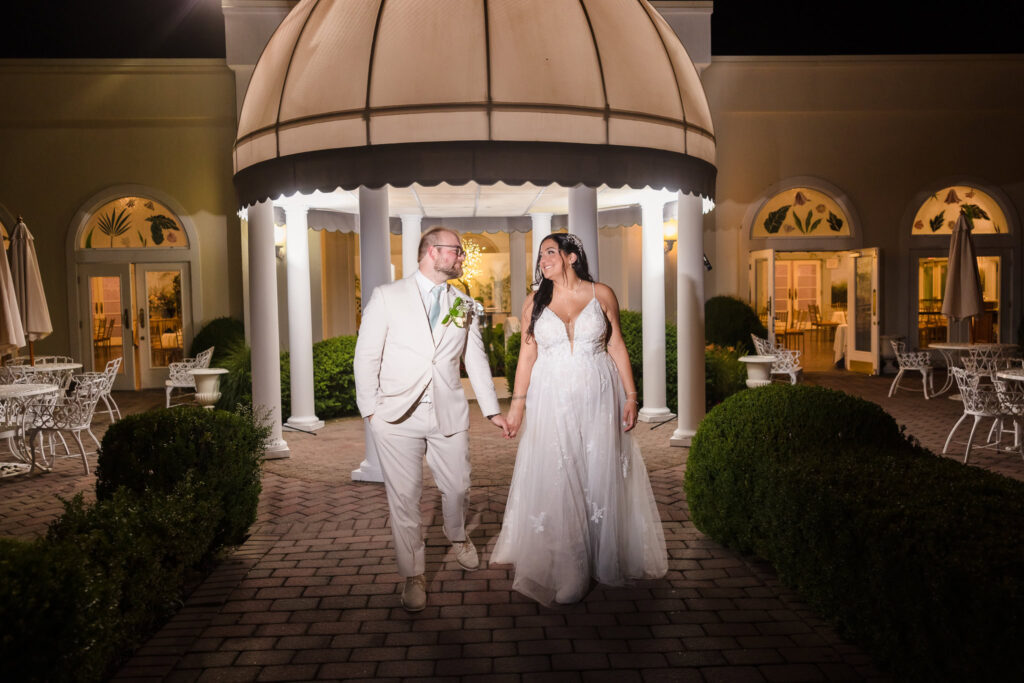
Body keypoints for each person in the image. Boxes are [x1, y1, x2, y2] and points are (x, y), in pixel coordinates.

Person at [491, 233, 667, 605]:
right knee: (561, 472)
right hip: (551, 397)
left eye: (550, 253)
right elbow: (526, 357)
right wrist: (516, 409)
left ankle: (601, 553)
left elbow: (616, 344)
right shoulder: (534, 302)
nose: (543, 260)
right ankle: (569, 564)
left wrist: (632, 396)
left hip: (600, 397)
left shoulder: (601, 294)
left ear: (571, 257)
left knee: (596, 472)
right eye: (540, 255)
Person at [354, 226, 510, 612]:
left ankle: (456, 534)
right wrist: (370, 411)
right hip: (394, 416)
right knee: (404, 499)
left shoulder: (464, 302)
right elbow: (366, 356)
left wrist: (492, 409)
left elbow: (475, 358)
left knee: (457, 487)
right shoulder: (387, 297)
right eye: (457, 251)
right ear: (431, 251)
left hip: (447, 412)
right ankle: (413, 574)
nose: (462, 258)